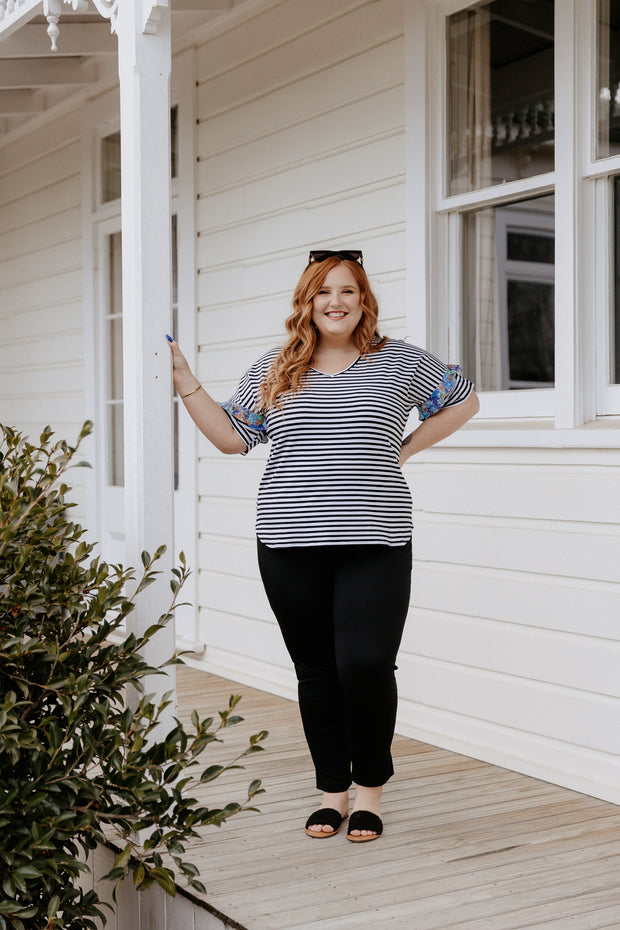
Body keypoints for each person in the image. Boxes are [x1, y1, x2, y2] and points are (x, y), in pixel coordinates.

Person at [166, 249, 479, 842]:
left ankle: (371, 791)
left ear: (364, 301)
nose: (335, 302)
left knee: (364, 665)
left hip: (377, 541)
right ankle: (333, 791)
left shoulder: (400, 363)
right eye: (322, 292)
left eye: (347, 291)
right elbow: (234, 439)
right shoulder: (275, 368)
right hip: (288, 542)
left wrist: (407, 447)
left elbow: (464, 400)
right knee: (316, 671)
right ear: (306, 303)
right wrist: (187, 386)